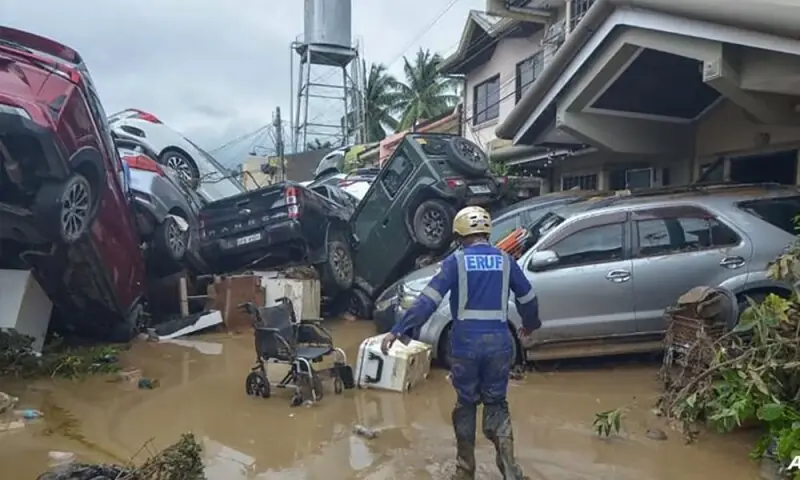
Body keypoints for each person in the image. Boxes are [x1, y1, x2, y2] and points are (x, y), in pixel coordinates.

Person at [381, 206, 541, 480]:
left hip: (465, 345)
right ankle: (511, 472)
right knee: (497, 404)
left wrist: (399, 329)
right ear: (486, 232)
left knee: (466, 404)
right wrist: (530, 325)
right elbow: (528, 299)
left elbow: (428, 300)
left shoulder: (456, 262)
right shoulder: (505, 260)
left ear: (460, 235)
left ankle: (465, 471)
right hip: (500, 345)